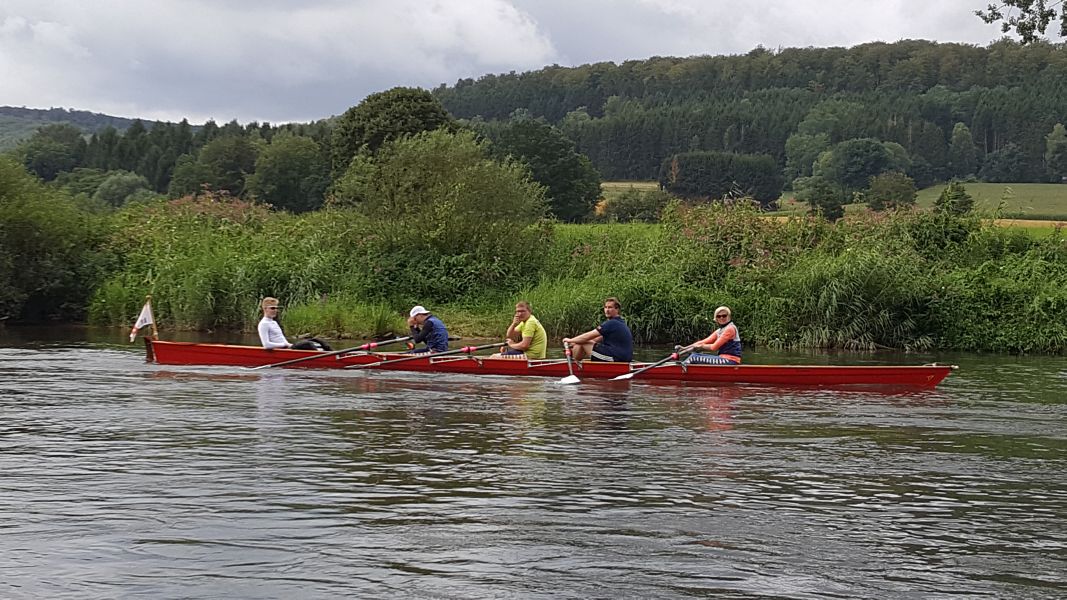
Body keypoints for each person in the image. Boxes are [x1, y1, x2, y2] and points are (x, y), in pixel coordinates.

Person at [563, 297, 633, 362]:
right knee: (582, 342)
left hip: (617, 358)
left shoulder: (611, 323)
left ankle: (574, 365)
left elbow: (588, 336)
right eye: (605, 307)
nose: (607, 310)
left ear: (617, 309)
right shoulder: (620, 322)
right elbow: (596, 338)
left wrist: (570, 340)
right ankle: (575, 362)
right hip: (623, 357)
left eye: (610, 307)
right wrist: (575, 343)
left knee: (584, 342)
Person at [257, 297, 332, 351]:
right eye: (272, 308)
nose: (275, 310)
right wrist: (284, 345)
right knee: (308, 344)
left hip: (288, 347)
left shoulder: (273, 322)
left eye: (276, 308)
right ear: (265, 309)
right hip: (283, 349)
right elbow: (266, 345)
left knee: (317, 340)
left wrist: (287, 344)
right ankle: (324, 359)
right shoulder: (264, 324)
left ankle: (334, 355)